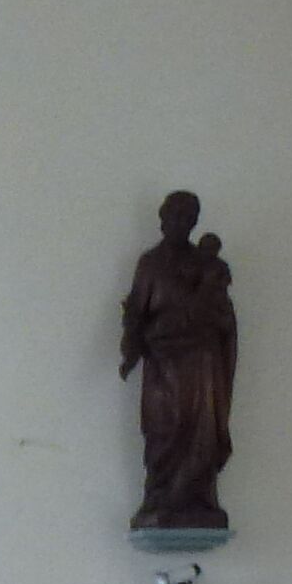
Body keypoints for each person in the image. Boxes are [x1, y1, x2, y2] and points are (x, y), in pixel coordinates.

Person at [120, 190, 236, 532]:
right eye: (174, 217)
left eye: (188, 219)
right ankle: (161, 494)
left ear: (194, 222)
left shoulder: (205, 265)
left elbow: (221, 313)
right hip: (163, 363)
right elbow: (136, 313)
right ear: (162, 219)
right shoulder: (150, 264)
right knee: (164, 427)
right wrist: (131, 348)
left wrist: (216, 316)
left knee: (201, 427)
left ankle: (197, 496)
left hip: (201, 363)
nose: (180, 224)